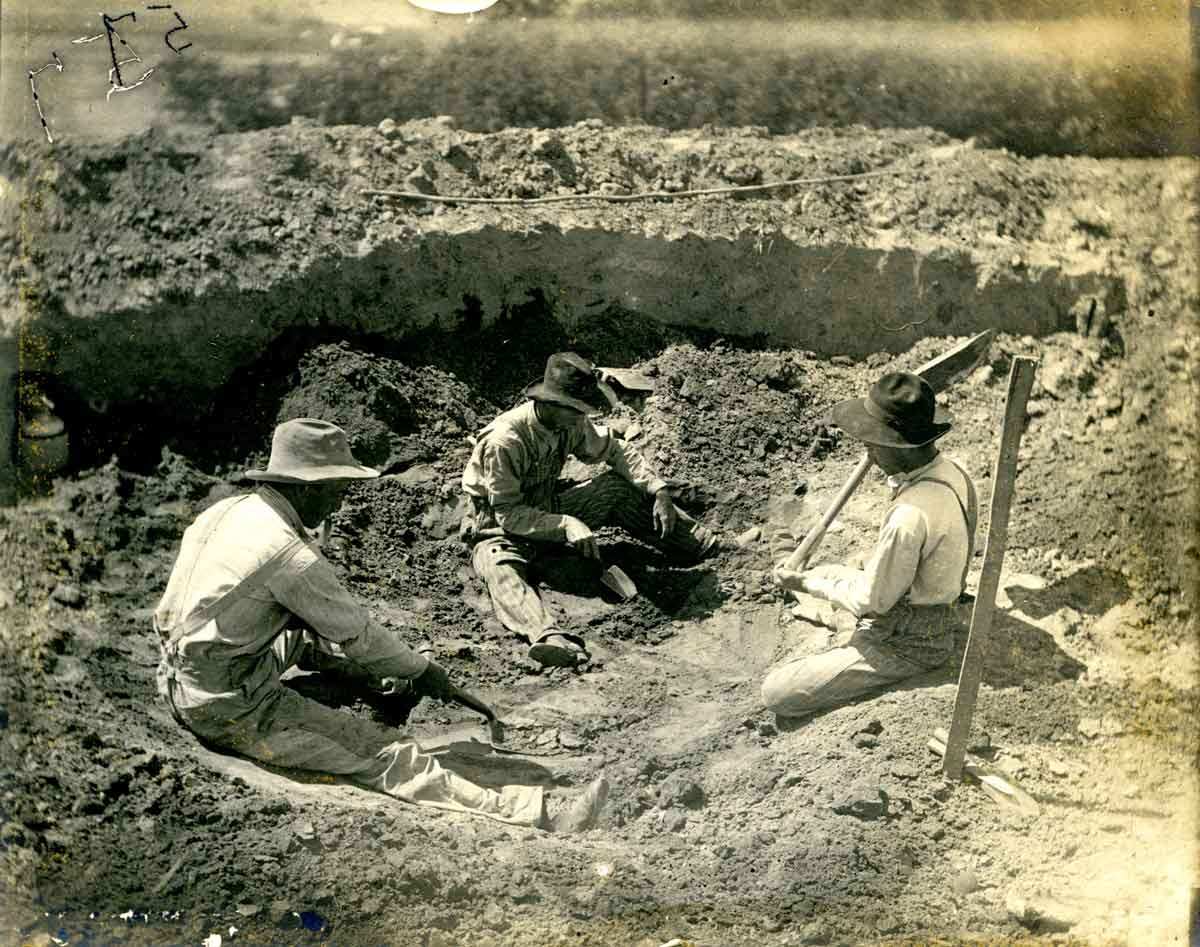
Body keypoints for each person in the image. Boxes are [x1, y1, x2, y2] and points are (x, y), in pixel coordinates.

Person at [154, 418, 606, 830]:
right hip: (228, 705)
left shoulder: (228, 511)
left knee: (306, 636)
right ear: (309, 487)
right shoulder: (288, 556)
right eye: (339, 487)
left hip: (190, 665)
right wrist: (426, 674)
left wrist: (374, 668)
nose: (343, 499)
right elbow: (361, 636)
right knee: (384, 754)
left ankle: (371, 687)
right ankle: (536, 813)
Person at [461, 352, 723, 668]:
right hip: (498, 524)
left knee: (616, 488)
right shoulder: (506, 440)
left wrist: (659, 488)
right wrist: (566, 524)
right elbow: (508, 513)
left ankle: (705, 545)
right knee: (498, 565)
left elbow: (612, 449)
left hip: (548, 505)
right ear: (550, 403)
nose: (582, 417)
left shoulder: (569, 421)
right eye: (577, 410)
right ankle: (547, 637)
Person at [763, 371, 978, 718]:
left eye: (870, 443)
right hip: (927, 607)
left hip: (909, 644)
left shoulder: (910, 514)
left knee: (777, 693)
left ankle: (824, 611)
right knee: (830, 574)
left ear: (893, 445)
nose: (868, 453)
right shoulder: (954, 472)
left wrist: (803, 582)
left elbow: (873, 601)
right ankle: (803, 578)